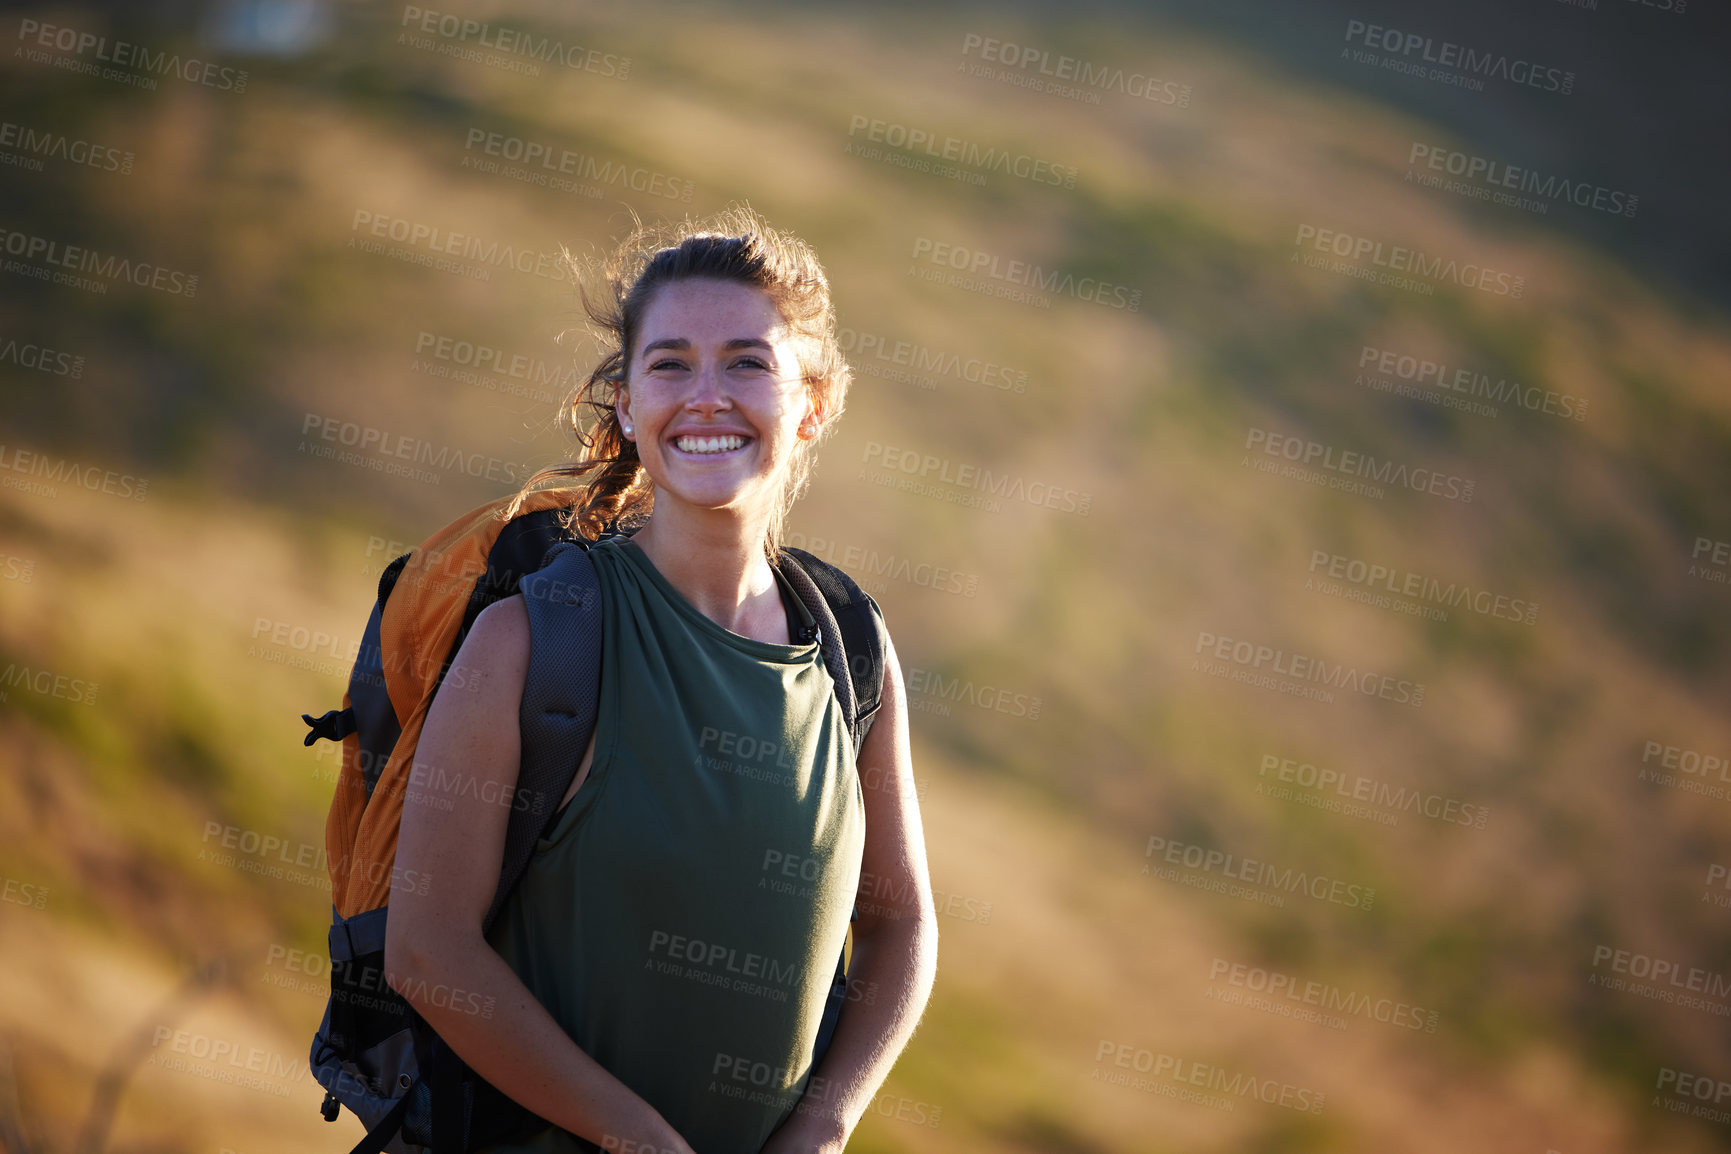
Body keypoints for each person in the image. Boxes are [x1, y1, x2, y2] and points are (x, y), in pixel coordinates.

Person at [383, 206, 939, 1154]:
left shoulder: (849, 645)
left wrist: (825, 1125)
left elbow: (899, 927)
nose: (707, 396)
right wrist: (631, 1137)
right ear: (628, 408)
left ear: (811, 404)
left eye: (748, 363)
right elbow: (427, 950)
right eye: (670, 363)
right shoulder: (532, 641)